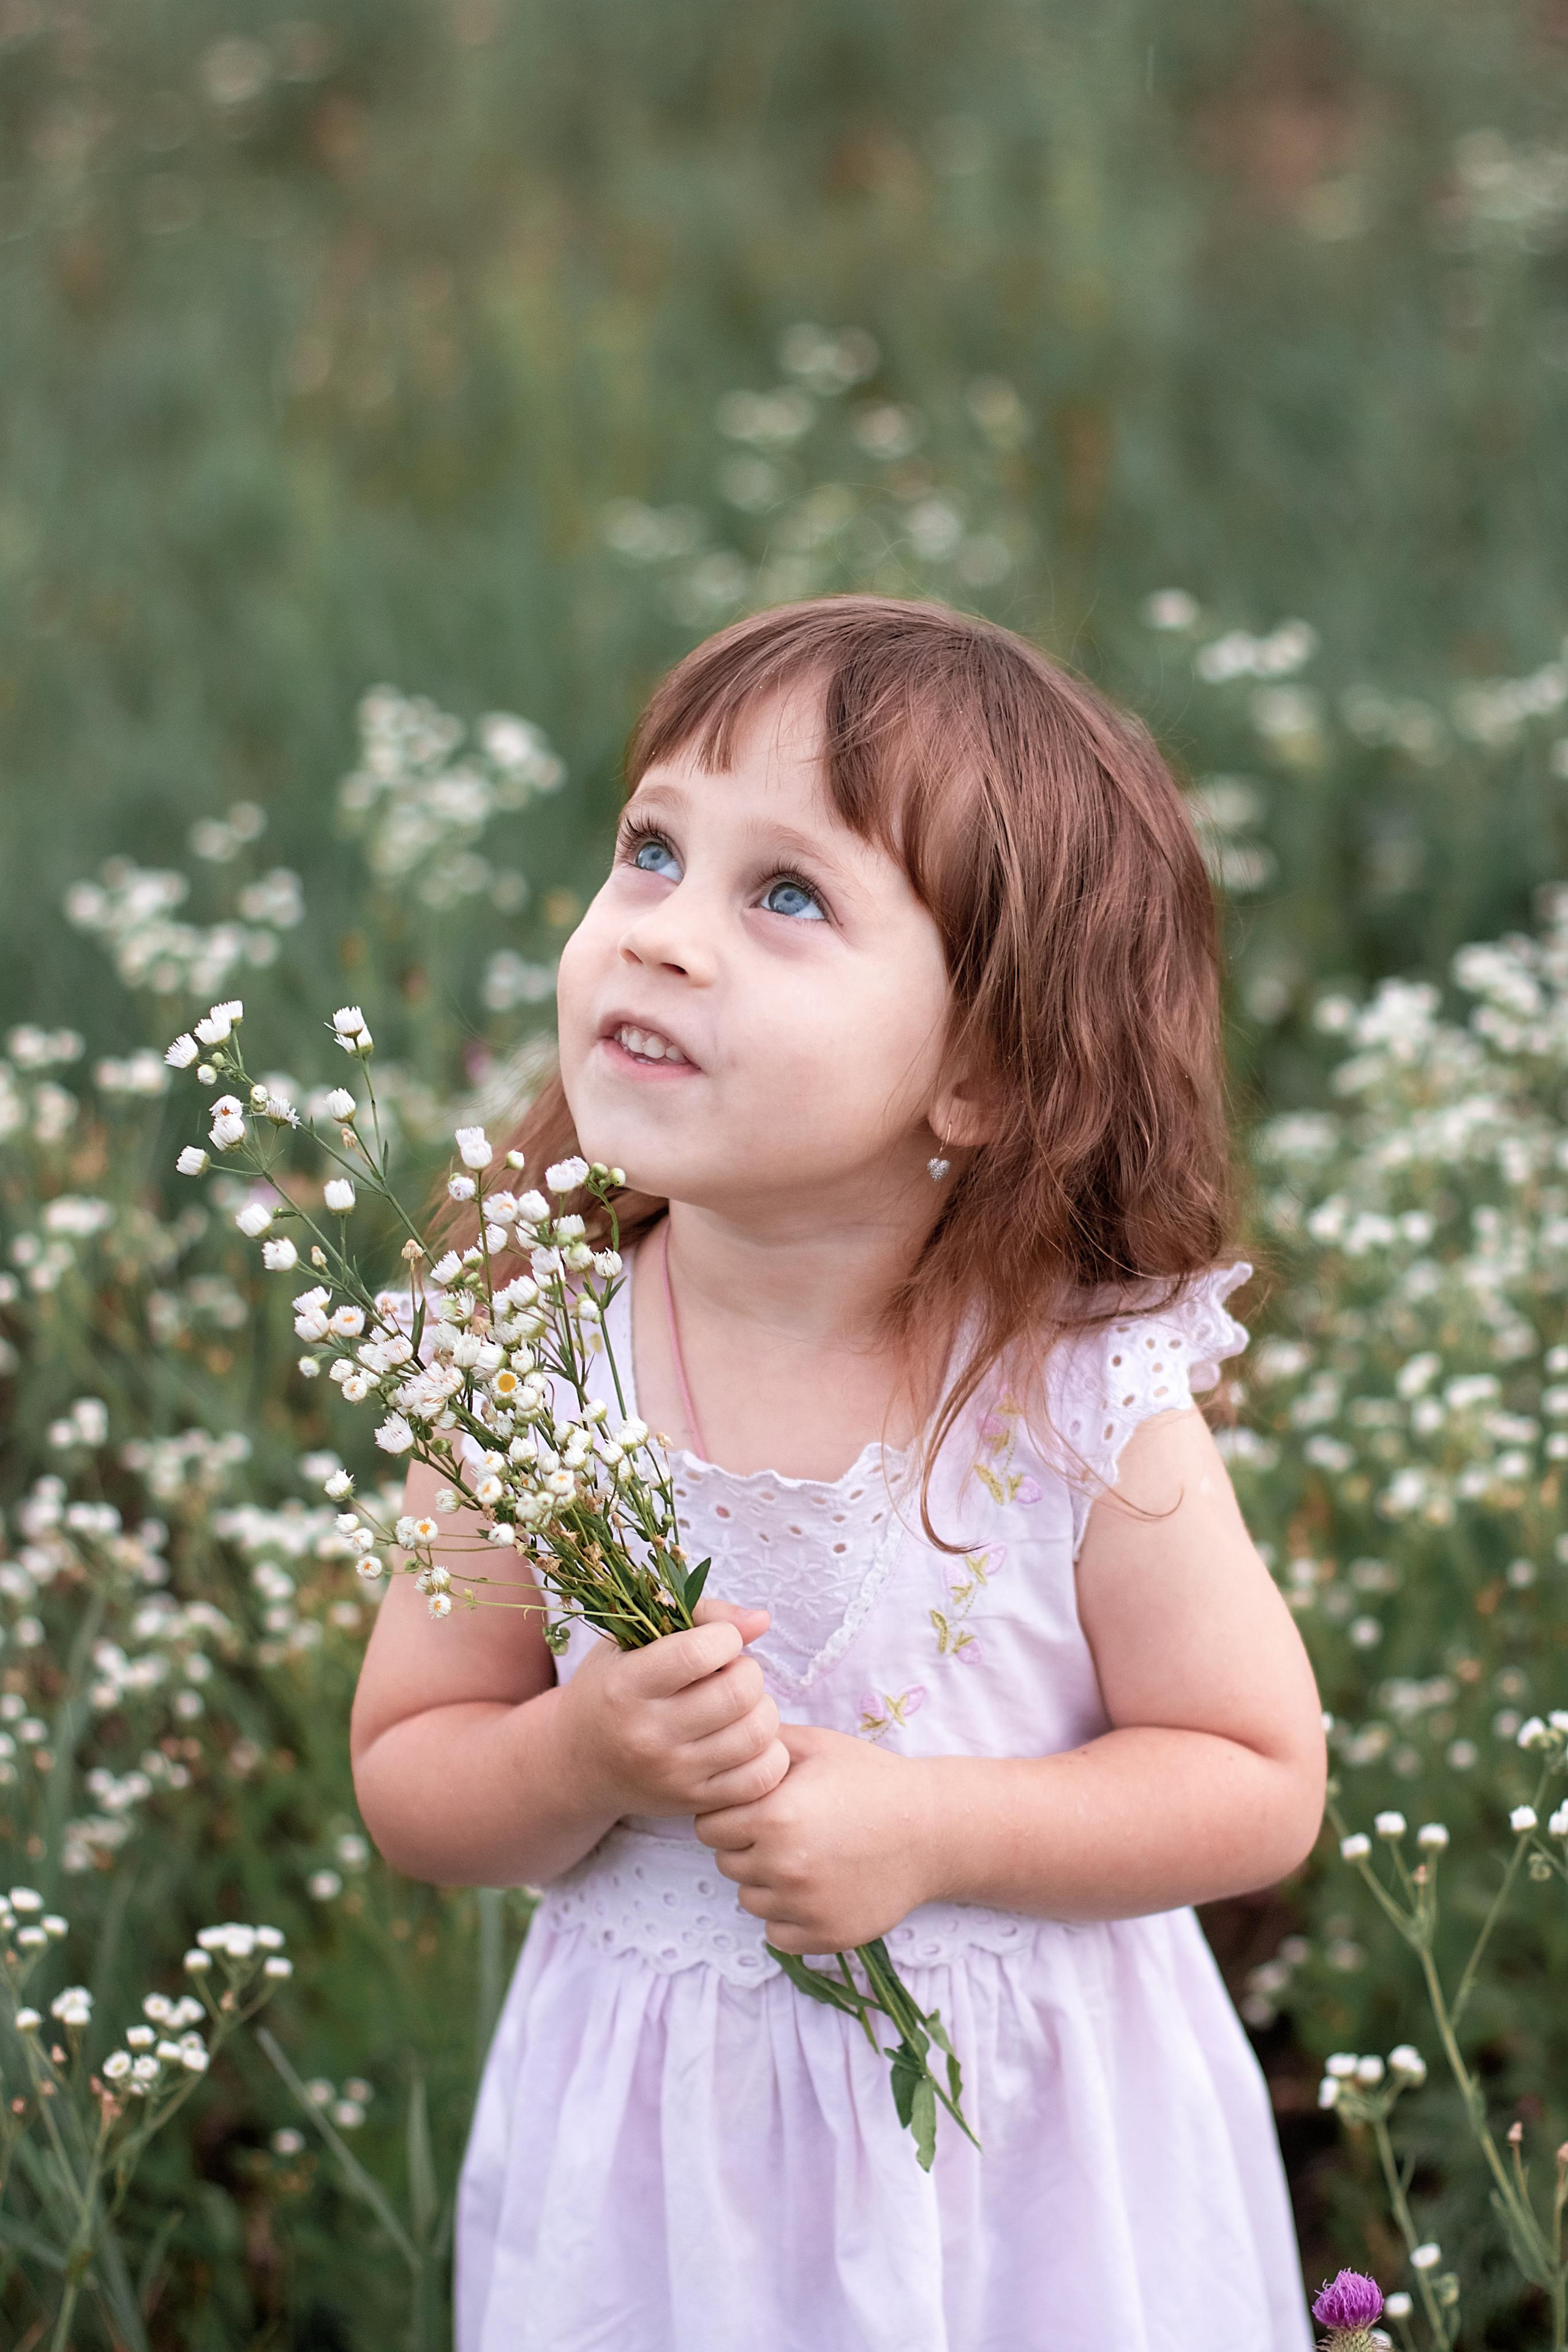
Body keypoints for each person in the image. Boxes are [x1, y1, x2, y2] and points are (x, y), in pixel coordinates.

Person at [349, 595, 1325, 2352]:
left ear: (983, 1070)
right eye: (651, 849)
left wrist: (930, 1828)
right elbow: (413, 1772)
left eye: (784, 895)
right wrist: (581, 1752)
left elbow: (1254, 1775)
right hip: (665, 2194)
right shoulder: (530, 1366)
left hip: (1032, 2187)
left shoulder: (1066, 1389)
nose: (662, 937)